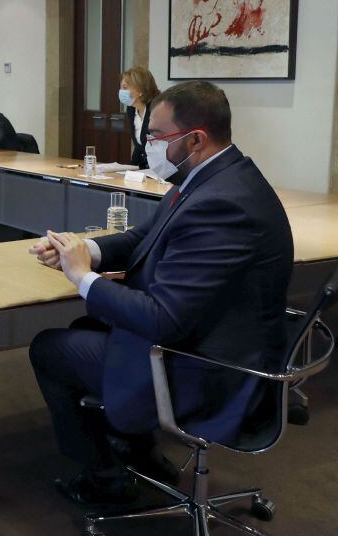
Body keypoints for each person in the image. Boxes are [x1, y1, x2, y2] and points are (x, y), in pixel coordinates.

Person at [27, 80, 293, 507]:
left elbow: (161, 320)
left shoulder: (223, 205)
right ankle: (136, 448)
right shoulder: (213, 177)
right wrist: (82, 251)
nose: (147, 144)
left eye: (156, 136)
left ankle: (105, 479)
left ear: (196, 139)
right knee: (86, 325)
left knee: (49, 348)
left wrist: (81, 278)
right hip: (209, 338)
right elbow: (143, 237)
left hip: (208, 369)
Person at [120, 65, 160, 168]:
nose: (121, 91)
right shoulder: (132, 109)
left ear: (140, 89)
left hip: (161, 170)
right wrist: (128, 169)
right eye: (121, 87)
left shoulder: (157, 110)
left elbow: (161, 148)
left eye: (125, 87)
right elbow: (140, 147)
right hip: (144, 169)